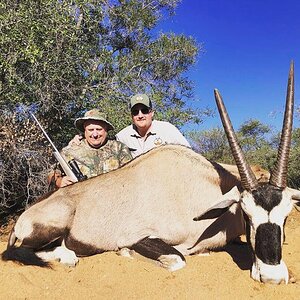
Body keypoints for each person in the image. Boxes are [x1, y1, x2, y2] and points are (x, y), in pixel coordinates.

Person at [49, 109, 132, 188]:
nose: (95, 134)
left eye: (99, 129)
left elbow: (130, 174)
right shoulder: (69, 151)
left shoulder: (120, 148)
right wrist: (59, 181)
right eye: (91, 130)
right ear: (85, 130)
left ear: (106, 130)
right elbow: (51, 173)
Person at [116, 94, 191, 158]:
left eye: (144, 111)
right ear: (131, 116)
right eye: (135, 112)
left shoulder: (168, 129)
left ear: (152, 113)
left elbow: (188, 154)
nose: (140, 115)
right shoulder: (122, 137)